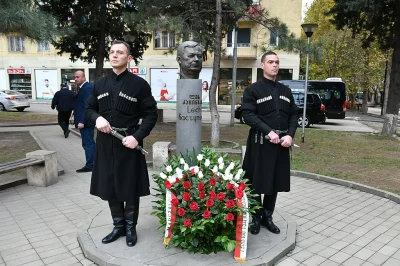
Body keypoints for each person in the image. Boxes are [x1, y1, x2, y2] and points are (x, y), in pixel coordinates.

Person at [85, 40, 158, 247]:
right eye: (112, 52)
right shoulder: (99, 84)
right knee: (110, 185)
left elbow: (151, 115)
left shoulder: (139, 85)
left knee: (129, 186)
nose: (114, 55)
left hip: (129, 143)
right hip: (106, 144)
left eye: (120, 52)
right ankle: (117, 226)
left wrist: (137, 137)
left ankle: (130, 228)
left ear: (129, 58)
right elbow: (89, 109)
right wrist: (96, 118)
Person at [241, 51, 298, 235]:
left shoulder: (285, 91)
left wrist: (290, 135)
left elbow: (294, 115)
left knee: (275, 182)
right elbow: (247, 114)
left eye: (277, 62)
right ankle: (255, 218)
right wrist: (268, 131)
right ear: (262, 65)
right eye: (271, 62)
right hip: (260, 143)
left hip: (282, 144)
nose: (275, 65)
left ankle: (267, 217)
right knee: (256, 181)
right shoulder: (253, 90)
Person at [73, 70, 95, 173]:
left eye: (78, 77)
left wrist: (82, 121)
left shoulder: (87, 88)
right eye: (75, 77)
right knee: (90, 143)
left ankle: (90, 165)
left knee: (87, 144)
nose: (76, 79)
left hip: (85, 122)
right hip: (85, 121)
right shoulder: (83, 87)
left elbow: (87, 106)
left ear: (84, 77)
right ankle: (94, 163)